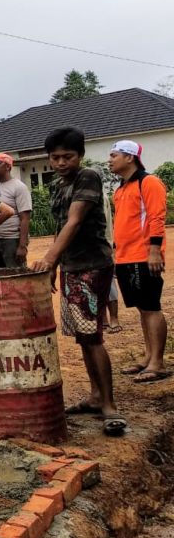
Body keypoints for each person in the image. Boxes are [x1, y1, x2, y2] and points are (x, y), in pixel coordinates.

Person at [32, 128, 125, 436]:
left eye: (67, 157)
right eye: (55, 157)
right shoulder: (58, 185)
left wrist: (47, 260)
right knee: (82, 336)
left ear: (80, 155)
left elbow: (74, 221)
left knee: (93, 335)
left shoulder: (88, 177)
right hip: (72, 266)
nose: (60, 163)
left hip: (93, 265)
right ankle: (96, 396)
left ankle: (109, 405)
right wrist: (57, 266)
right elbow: (61, 226)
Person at [108, 140, 169, 383]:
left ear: (130, 157)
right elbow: (122, 223)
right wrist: (116, 252)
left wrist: (154, 250)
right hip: (125, 256)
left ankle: (158, 362)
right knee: (142, 309)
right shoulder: (121, 189)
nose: (110, 160)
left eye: (114, 155)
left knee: (151, 307)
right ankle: (148, 356)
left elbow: (157, 217)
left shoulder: (149, 182)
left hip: (144, 256)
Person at [0, 153, 33, 267]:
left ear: (8, 166)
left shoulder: (19, 187)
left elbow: (25, 218)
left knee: (15, 278)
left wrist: (22, 246)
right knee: (1, 278)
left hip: (12, 240)